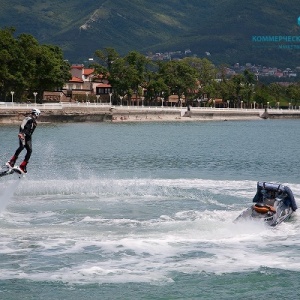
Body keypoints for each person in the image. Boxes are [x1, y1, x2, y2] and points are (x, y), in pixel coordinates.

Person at [6, 108, 41, 173]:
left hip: (28, 137)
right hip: (23, 135)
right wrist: (21, 133)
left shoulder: (33, 121)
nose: (38, 116)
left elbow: (30, 130)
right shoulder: (28, 118)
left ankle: (22, 166)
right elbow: (22, 125)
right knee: (22, 146)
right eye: (38, 114)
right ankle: (12, 161)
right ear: (36, 113)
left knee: (29, 150)